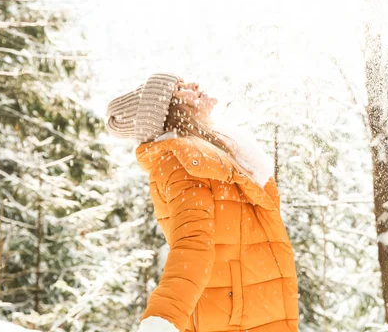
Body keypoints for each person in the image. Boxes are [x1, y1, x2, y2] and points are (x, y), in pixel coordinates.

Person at [105, 73, 299, 332]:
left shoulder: (212, 154)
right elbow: (192, 244)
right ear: (169, 111)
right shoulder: (179, 162)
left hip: (252, 314)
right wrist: (162, 320)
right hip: (230, 320)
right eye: (180, 89)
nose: (193, 85)